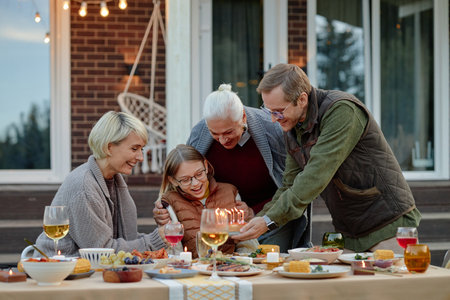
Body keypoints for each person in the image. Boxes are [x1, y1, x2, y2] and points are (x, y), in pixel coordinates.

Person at [233, 63, 421, 253]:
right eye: (269, 111)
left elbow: (316, 174)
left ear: (302, 99)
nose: (274, 119)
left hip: (388, 225)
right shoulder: (292, 128)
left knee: (394, 282)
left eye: (279, 111)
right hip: (349, 232)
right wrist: (261, 218)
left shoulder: (342, 111)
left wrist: (267, 221)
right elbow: (289, 185)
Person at [154, 84, 312, 252]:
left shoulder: (273, 130)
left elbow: (292, 185)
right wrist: (163, 208)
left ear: (243, 117)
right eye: (215, 133)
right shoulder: (201, 132)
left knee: (265, 264)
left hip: (272, 214)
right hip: (223, 221)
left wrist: (256, 214)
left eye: (228, 132)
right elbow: (183, 176)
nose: (222, 141)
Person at [36, 111, 167, 256]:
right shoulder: (84, 187)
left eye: (141, 149)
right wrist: (154, 240)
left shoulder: (114, 180)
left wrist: (163, 232)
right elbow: (101, 251)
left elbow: (125, 240)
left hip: (89, 270)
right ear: (108, 147)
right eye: (134, 149)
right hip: (58, 270)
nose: (141, 157)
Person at [158, 144, 257, 258]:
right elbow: (174, 250)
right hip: (193, 270)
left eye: (199, 174)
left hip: (231, 268)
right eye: (185, 180)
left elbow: (247, 243)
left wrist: (238, 265)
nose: (195, 183)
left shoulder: (230, 192)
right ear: (173, 180)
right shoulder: (169, 203)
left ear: (205, 165)